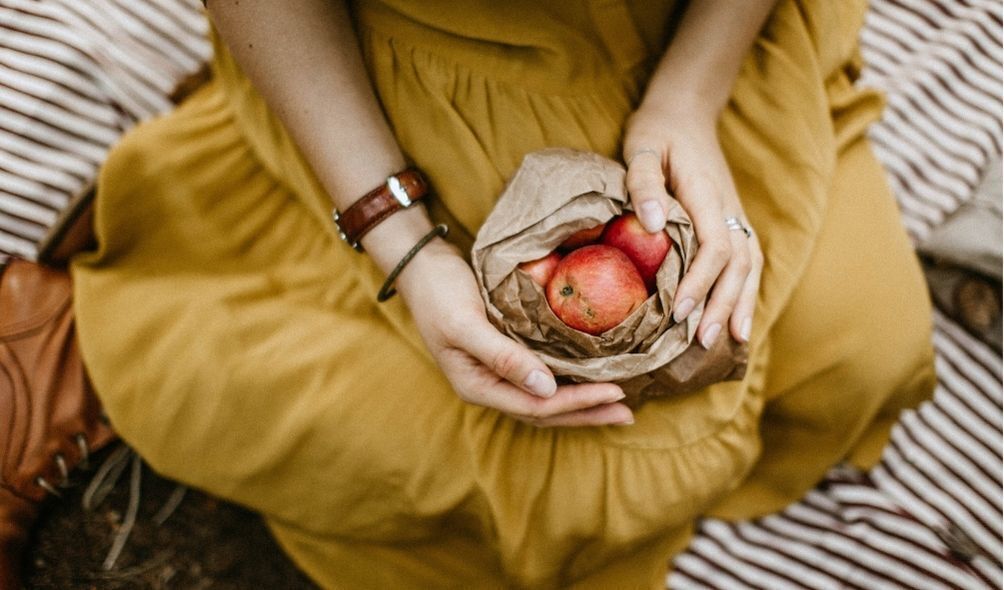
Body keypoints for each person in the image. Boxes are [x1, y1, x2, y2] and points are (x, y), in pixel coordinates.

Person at [70, 0, 936, 587]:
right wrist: (402, 243)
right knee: (585, 484)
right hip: (412, 84)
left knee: (864, 352)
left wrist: (689, 100)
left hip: (699, 37)